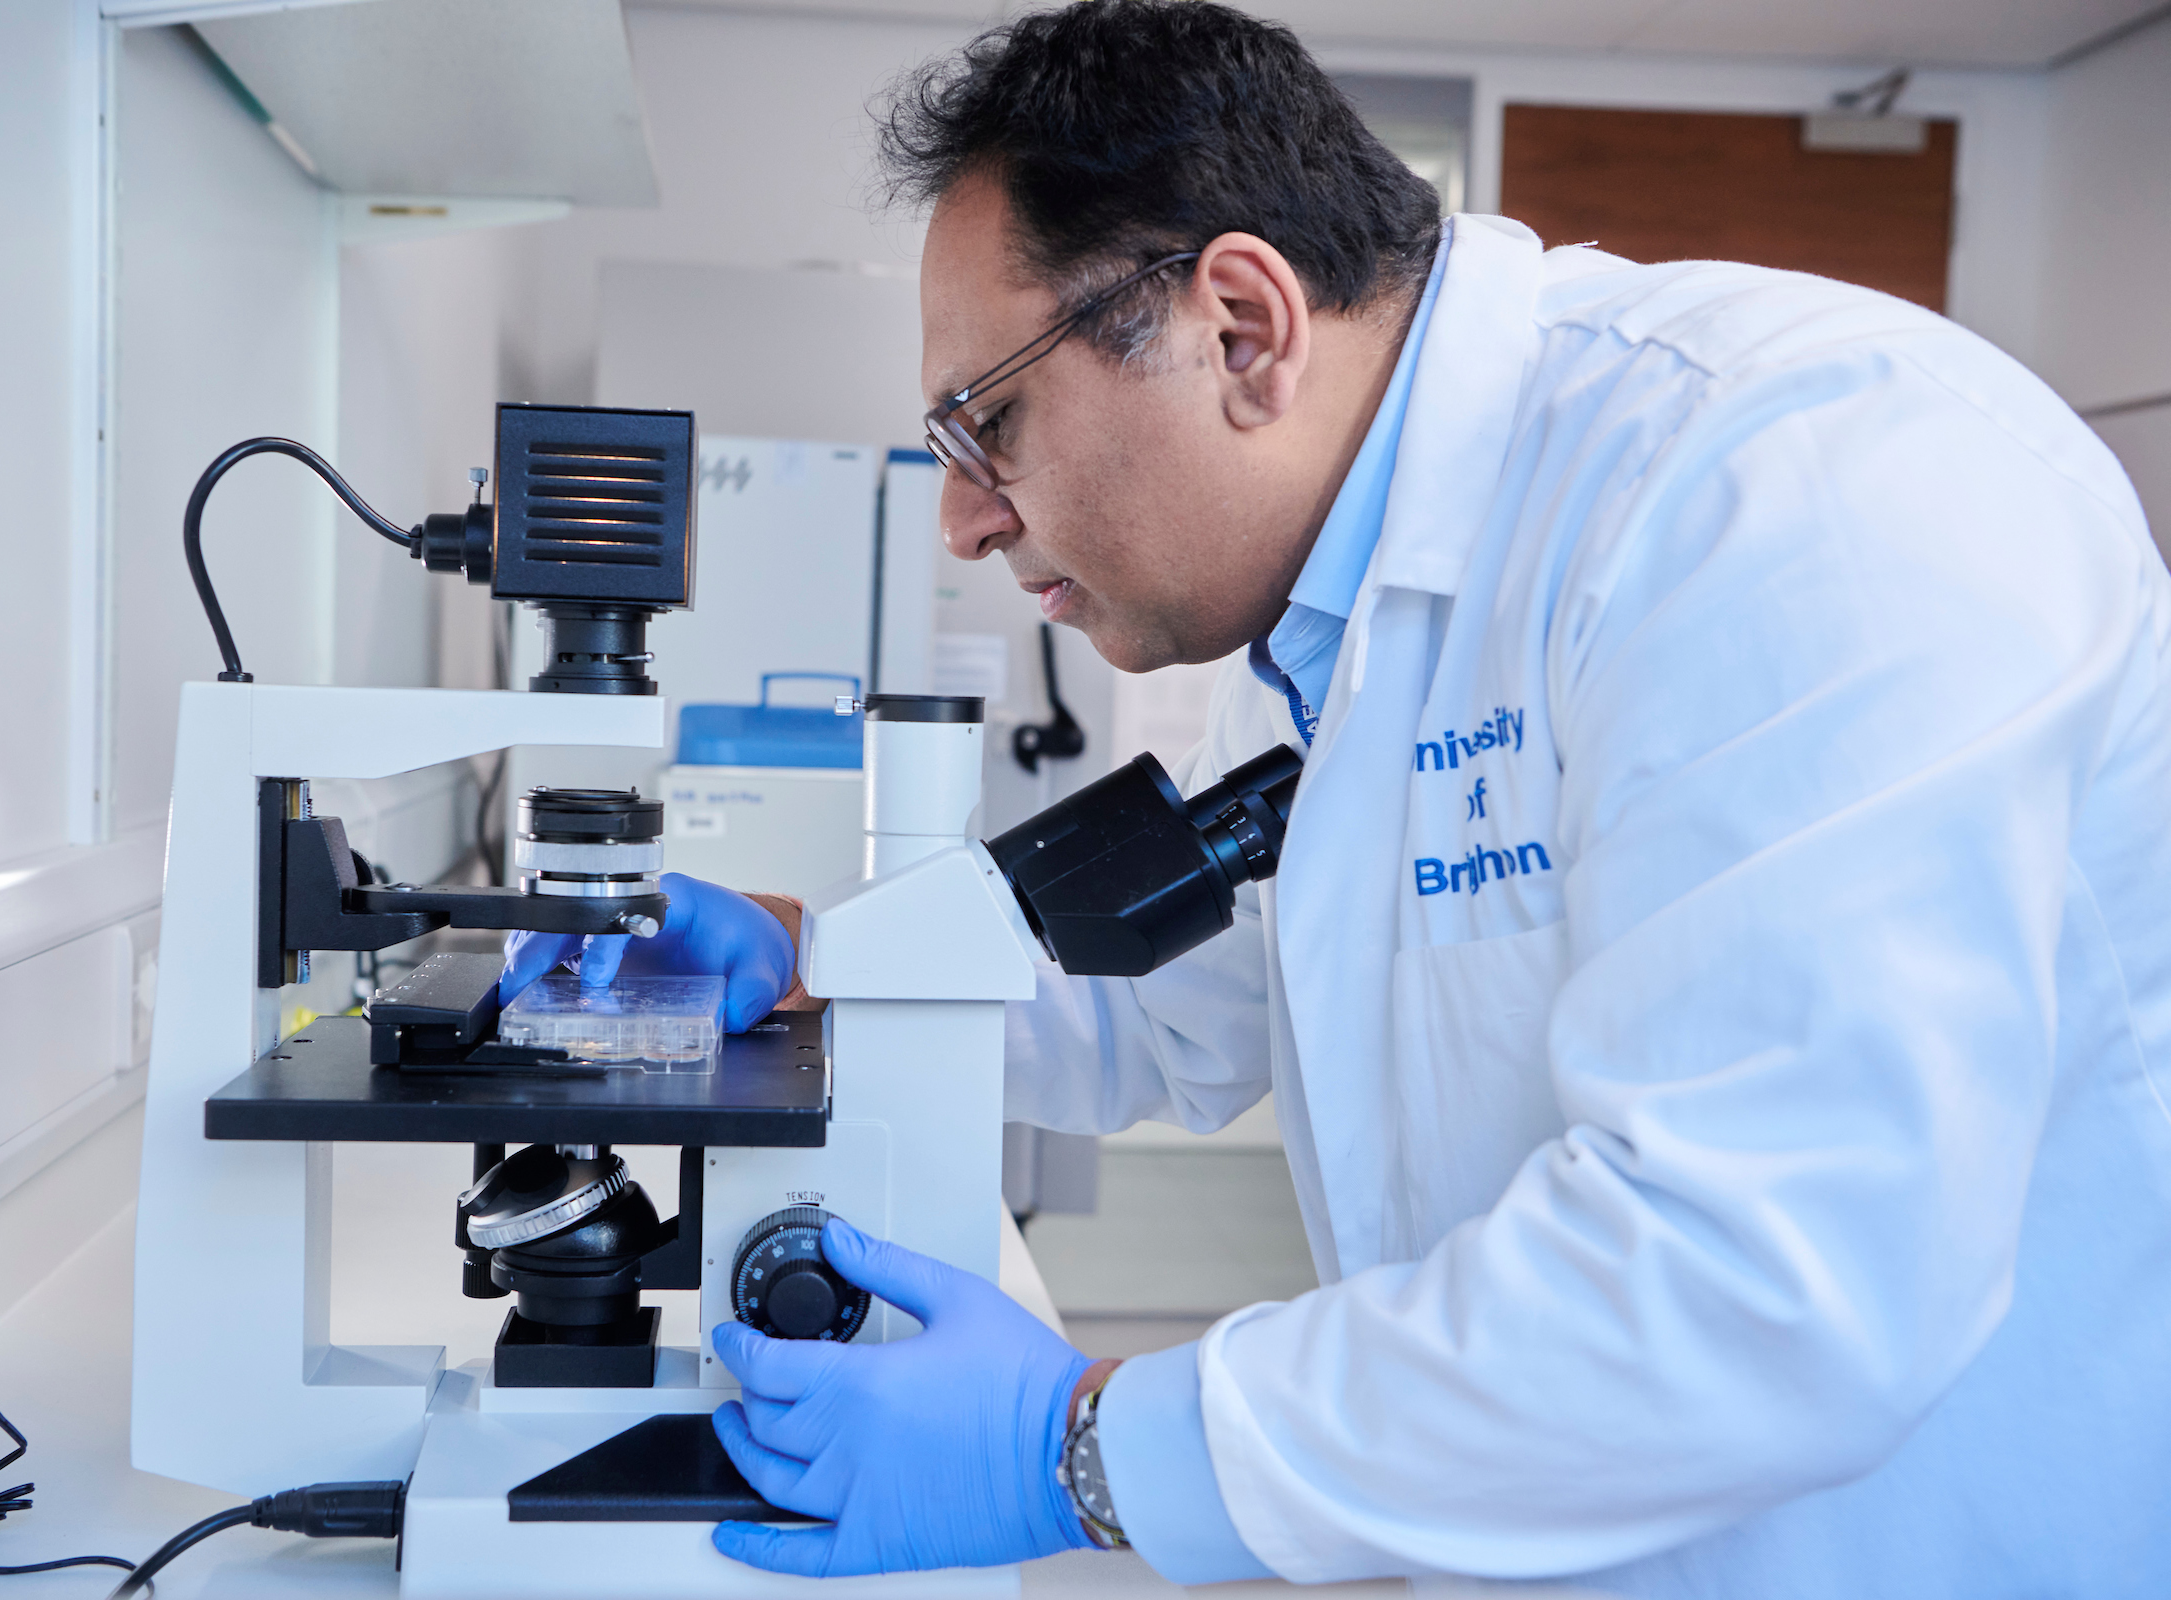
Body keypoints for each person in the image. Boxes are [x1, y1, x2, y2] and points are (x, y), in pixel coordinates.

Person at [505, 2, 2171, 1592]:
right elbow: (1163, 1003)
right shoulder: (1321, 620)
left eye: (988, 422)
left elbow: (1764, 1287)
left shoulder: (1788, 487)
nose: (965, 520)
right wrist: (810, 969)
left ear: (1242, 328)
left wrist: (1080, 1447)